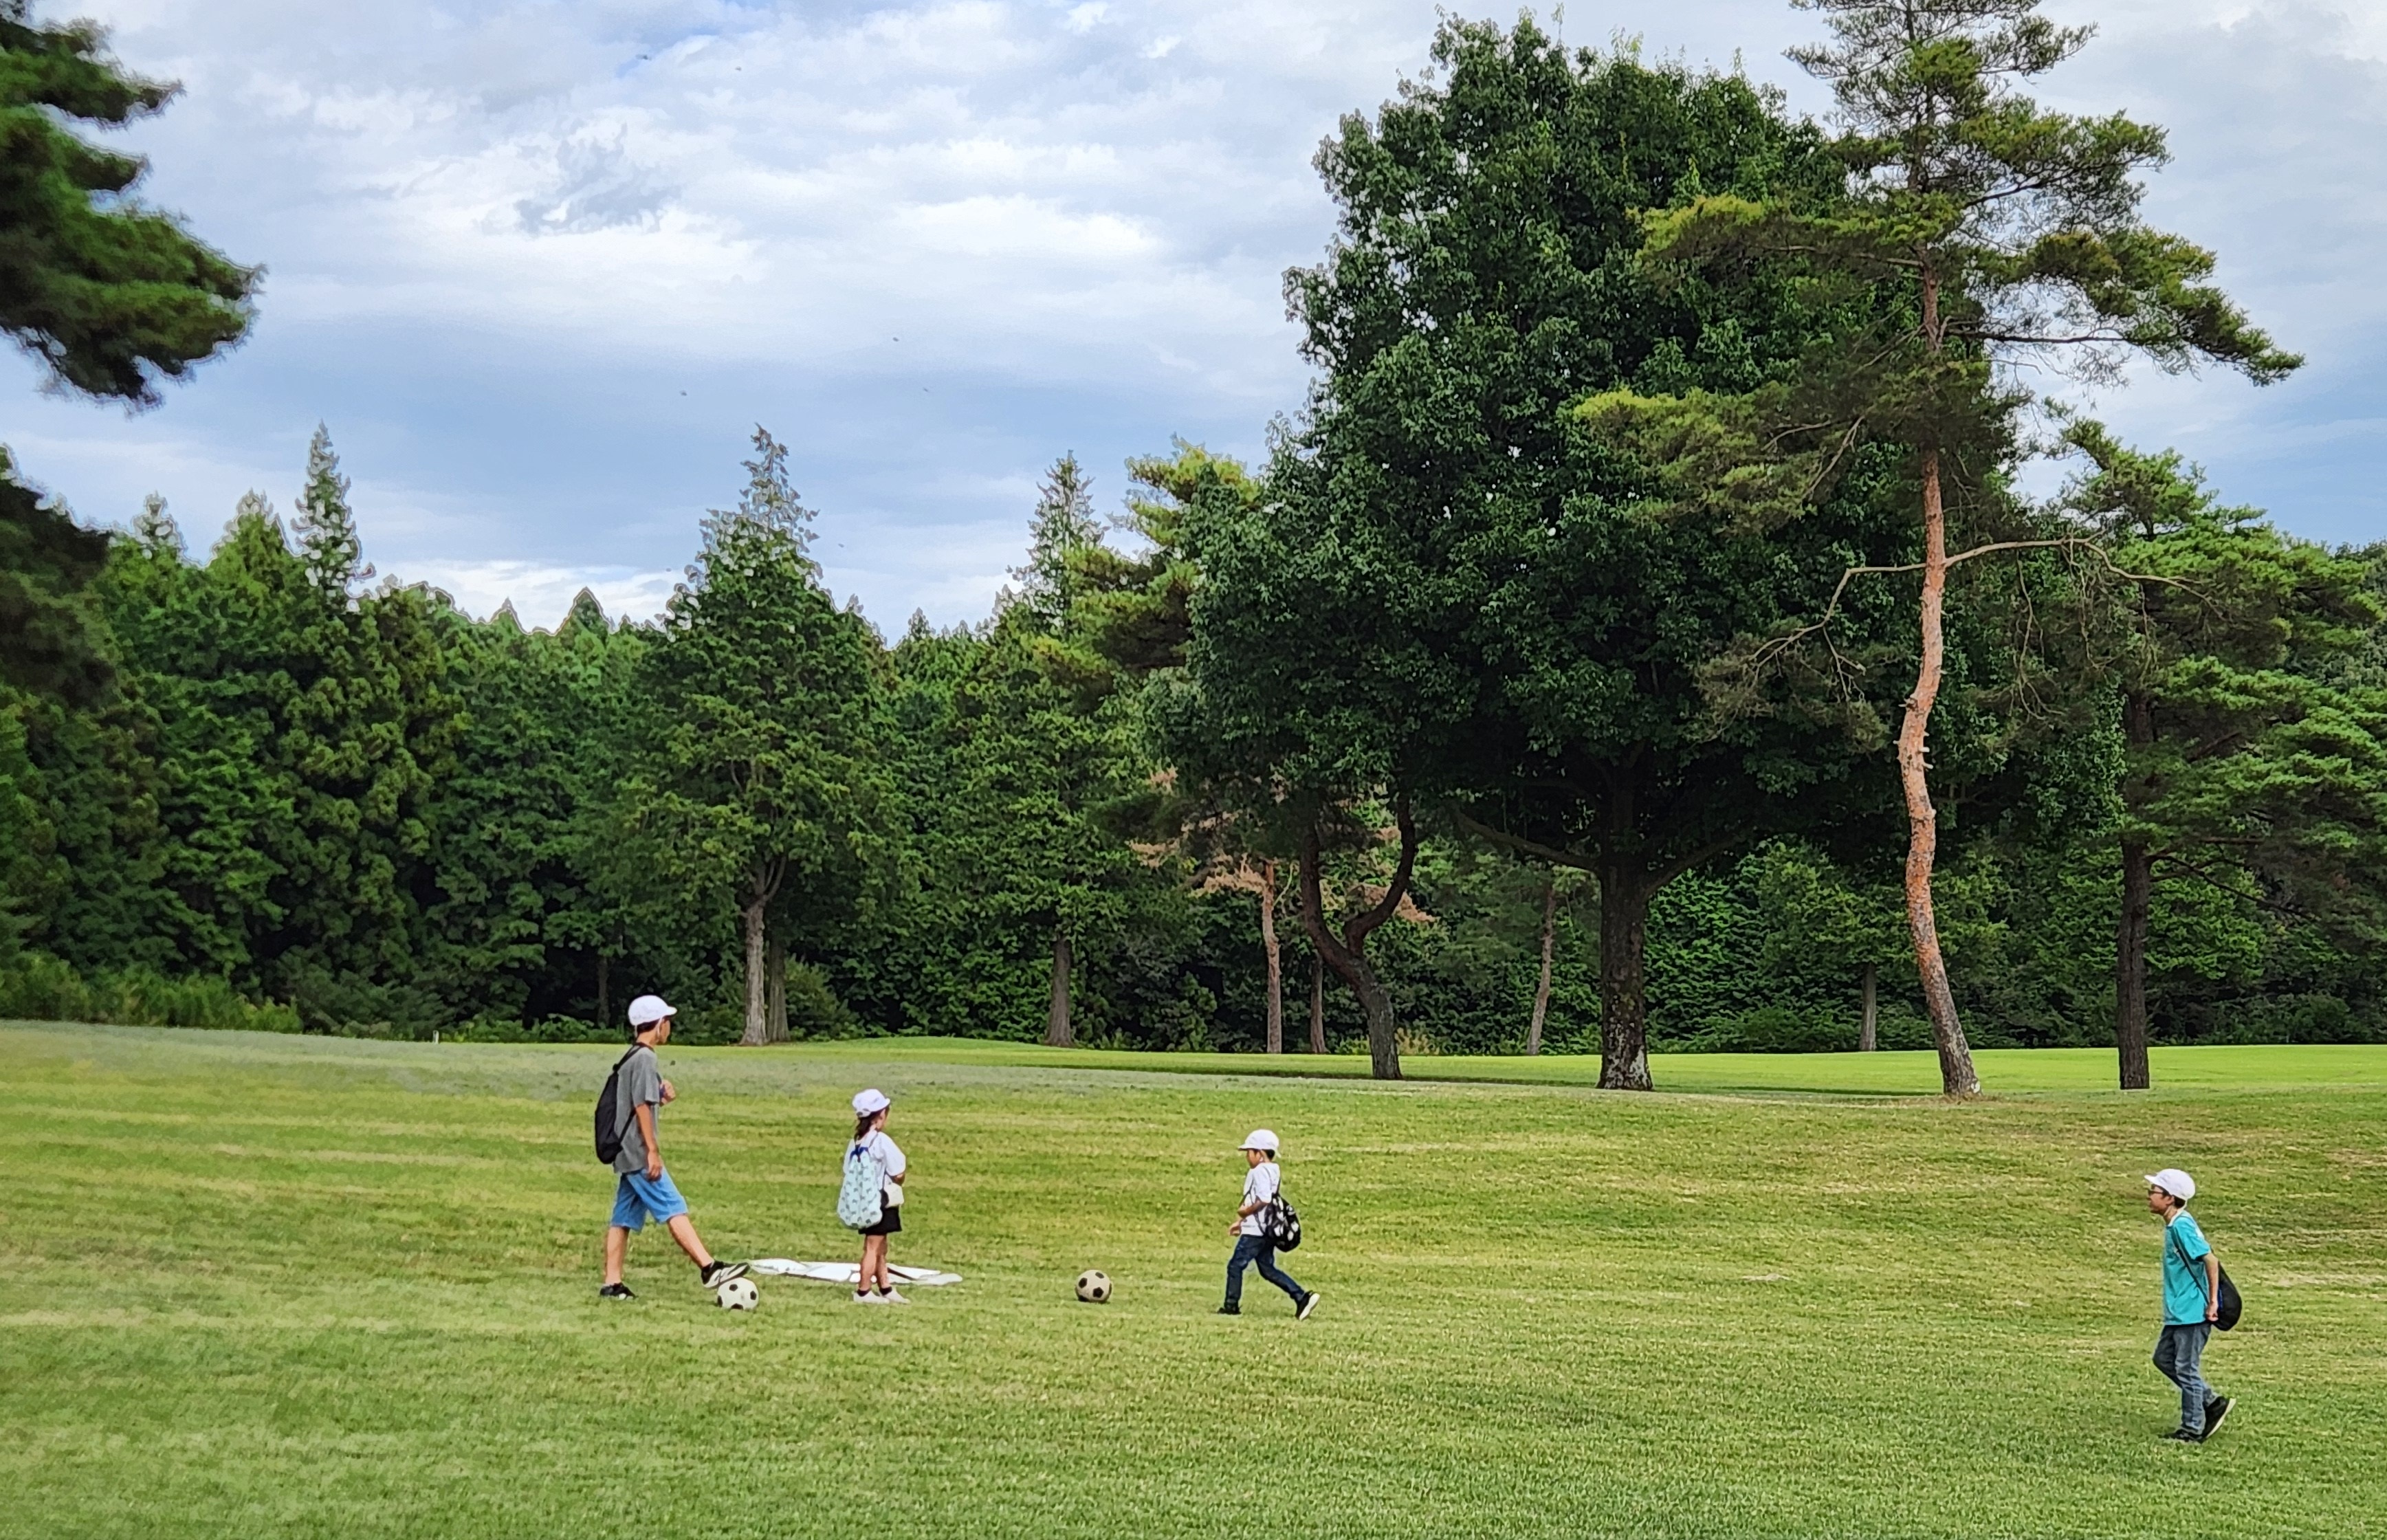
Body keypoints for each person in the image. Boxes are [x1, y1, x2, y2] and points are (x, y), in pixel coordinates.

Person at [598, 995, 747, 1299]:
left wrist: (662, 1097)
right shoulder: (645, 1058)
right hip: (638, 1152)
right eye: (667, 1022)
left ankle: (612, 1284)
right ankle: (709, 1267)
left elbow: (641, 1101)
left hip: (627, 1151)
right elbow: (640, 1106)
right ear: (659, 1025)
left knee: (622, 1218)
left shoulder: (633, 1056)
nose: (669, 1027)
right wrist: (652, 1151)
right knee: (673, 1206)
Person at [2146, 1167, 2230, 1442]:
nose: (2149, 1196)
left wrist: (2212, 1303)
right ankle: (2210, 1401)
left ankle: (2192, 1428)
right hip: (2179, 1312)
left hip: (2193, 1312)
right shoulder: (2174, 1225)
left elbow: (2211, 1260)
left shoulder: (2182, 1226)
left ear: (2169, 1198)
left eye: (2154, 1192)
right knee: (2163, 1359)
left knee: (2186, 1367)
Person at [1218, 1129, 1319, 1319]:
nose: (1248, 1157)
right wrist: (1241, 1222)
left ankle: (1231, 1306)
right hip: (1267, 1228)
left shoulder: (1259, 1171)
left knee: (1235, 1266)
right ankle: (1301, 1297)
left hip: (1256, 1231)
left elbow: (1263, 1199)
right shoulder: (1274, 1170)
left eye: (1250, 1152)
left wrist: (1245, 1213)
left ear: (1260, 1153)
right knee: (1267, 1269)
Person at [848, 1088, 909, 1305]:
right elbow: (897, 1171)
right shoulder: (880, 1141)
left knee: (880, 1245)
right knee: (873, 1247)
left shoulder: (857, 1142)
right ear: (881, 1114)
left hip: (864, 1200)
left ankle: (885, 1286)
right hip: (881, 1200)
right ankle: (863, 1290)